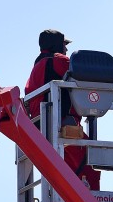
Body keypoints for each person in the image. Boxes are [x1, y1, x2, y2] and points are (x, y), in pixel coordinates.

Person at [25, 29, 100, 190]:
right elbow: (83, 73)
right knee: (91, 160)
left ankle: (68, 193)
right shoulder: (58, 60)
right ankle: (91, 198)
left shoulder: (36, 67)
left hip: (41, 125)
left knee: (66, 167)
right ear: (56, 45)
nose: (66, 49)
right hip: (60, 124)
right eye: (64, 45)